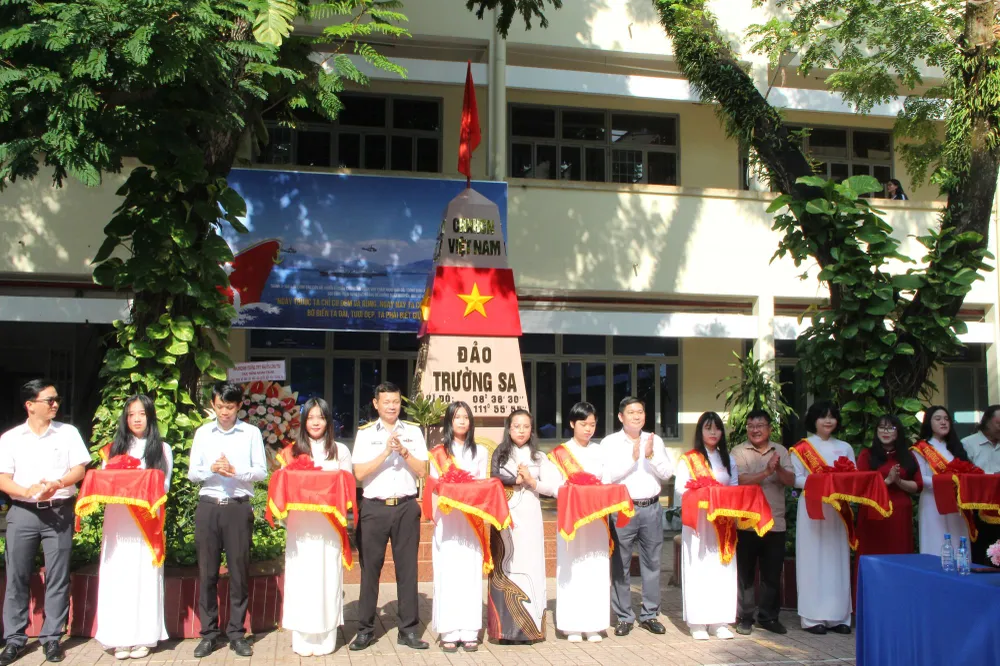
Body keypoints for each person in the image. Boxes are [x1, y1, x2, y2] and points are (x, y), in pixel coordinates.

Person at [0, 379, 90, 666]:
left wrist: (59, 483)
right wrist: (24, 490)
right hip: (23, 512)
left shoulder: (68, 433)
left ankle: (52, 638)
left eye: (56, 400)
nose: (55, 404)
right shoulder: (11, 438)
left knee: (58, 575)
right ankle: (14, 639)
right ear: (30, 405)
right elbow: (3, 477)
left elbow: (79, 468)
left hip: (58, 511)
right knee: (16, 575)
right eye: (49, 400)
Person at [188, 381, 267, 658]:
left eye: (230, 407)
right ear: (213, 404)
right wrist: (211, 468)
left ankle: (236, 633)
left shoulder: (250, 433)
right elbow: (192, 473)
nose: (225, 412)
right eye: (220, 406)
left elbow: (261, 471)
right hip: (209, 506)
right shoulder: (202, 433)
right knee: (207, 572)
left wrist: (236, 471)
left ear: (239, 406)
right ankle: (208, 634)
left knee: (238, 571)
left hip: (237, 507)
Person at [350, 382, 429, 651]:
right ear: (376, 404)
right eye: (386, 402)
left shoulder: (414, 432)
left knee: (407, 570)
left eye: (395, 401)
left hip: (406, 506)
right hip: (374, 508)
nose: (392, 406)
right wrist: (385, 452)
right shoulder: (365, 434)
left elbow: (423, 471)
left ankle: (408, 630)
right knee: (370, 570)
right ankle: (365, 629)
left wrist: (404, 452)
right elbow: (359, 474)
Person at [96, 396, 173, 659]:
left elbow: (164, 488)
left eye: (142, 413)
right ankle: (118, 637)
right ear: (125, 419)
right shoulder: (112, 450)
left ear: (151, 416)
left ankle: (143, 636)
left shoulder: (162, 449)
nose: (137, 419)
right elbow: (104, 485)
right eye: (131, 414)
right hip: (118, 522)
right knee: (118, 574)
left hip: (146, 523)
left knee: (144, 575)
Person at [281, 397, 353, 657]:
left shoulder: (340, 452)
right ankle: (302, 637)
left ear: (327, 420)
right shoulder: (290, 452)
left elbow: (346, 490)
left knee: (327, 577)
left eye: (320, 417)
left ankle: (325, 636)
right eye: (310, 417)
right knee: (301, 579)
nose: (315, 422)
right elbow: (281, 491)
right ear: (303, 421)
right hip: (300, 527)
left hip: (328, 528)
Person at [488, 409, 560, 643]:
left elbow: (555, 488)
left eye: (526, 426)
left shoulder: (539, 457)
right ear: (509, 429)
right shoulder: (500, 454)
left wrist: (531, 482)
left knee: (531, 568)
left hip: (530, 519)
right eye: (516, 426)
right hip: (505, 518)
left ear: (531, 430)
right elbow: (493, 478)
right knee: (507, 568)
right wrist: (515, 480)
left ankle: (530, 630)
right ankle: (504, 631)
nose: (521, 430)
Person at [603, 397, 672, 637]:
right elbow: (607, 476)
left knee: (652, 563)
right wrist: (632, 459)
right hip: (622, 509)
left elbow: (667, 473)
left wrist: (650, 456)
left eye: (640, 412)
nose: (636, 416)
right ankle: (624, 616)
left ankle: (650, 614)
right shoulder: (610, 442)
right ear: (621, 417)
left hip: (651, 508)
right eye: (631, 412)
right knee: (620, 563)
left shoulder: (655, 440)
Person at [428, 402, 489, 652]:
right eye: (457, 417)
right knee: (448, 572)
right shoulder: (438, 452)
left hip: (471, 521)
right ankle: (449, 630)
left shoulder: (480, 452)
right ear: (449, 422)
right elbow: (435, 486)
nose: (462, 421)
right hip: (448, 519)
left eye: (466, 417)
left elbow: (482, 486)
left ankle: (470, 629)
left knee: (470, 573)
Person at [673, 411, 739, 641]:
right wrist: (703, 493)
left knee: (723, 568)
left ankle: (720, 621)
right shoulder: (688, 459)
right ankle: (698, 622)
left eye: (717, 428)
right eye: (708, 428)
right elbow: (680, 489)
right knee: (699, 566)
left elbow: (734, 487)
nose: (713, 433)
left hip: (723, 523)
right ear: (700, 432)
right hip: (699, 524)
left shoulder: (728, 460)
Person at [790, 401, 855, 635]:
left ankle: (840, 616)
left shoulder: (846, 447)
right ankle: (812, 617)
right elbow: (796, 479)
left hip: (837, 510)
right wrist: (823, 482)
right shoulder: (802, 448)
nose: (828, 421)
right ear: (813, 420)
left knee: (837, 558)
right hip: (812, 507)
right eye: (822, 417)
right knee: (813, 558)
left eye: (832, 417)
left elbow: (853, 477)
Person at [731, 409, 794, 636]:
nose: (755, 430)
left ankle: (768, 617)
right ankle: (745, 617)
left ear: (769, 428)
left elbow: (791, 480)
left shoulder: (781, 451)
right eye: (751, 426)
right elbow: (739, 480)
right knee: (745, 574)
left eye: (760, 425)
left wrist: (777, 468)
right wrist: (766, 471)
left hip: (775, 523)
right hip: (747, 522)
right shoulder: (738, 451)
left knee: (771, 573)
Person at [550, 402, 609, 643]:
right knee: (571, 569)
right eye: (583, 424)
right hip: (571, 520)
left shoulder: (600, 451)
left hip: (596, 521)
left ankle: (594, 624)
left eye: (592, 424)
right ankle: (571, 625)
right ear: (572, 424)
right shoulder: (559, 453)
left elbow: (607, 481)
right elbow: (554, 487)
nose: (588, 429)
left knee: (596, 567)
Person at [856, 415, 920, 557]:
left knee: (899, 553)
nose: (886, 431)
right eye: (882, 427)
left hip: (900, 513)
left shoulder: (907, 455)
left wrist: (898, 481)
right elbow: (861, 487)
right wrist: (887, 481)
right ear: (876, 431)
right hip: (873, 511)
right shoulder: (867, 455)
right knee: (873, 554)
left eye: (891, 428)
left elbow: (918, 485)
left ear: (898, 432)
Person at [911, 405, 970, 554]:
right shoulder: (921, 448)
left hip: (956, 501)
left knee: (959, 539)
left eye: (946, 419)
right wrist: (948, 482)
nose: (943, 422)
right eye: (938, 419)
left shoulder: (956, 447)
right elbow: (920, 478)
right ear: (928, 423)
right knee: (936, 540)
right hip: (933, 501)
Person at [962, 405, 1000, 565]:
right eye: (999, 423)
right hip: (978, 506)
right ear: (987, 422)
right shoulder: (967, 443)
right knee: (980, 551)